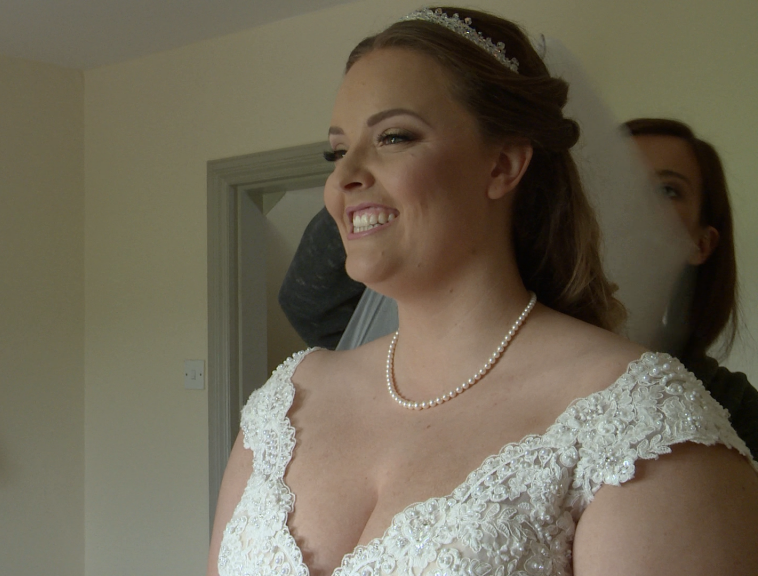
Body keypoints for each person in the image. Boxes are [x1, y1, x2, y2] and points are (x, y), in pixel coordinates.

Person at [208, 8, 758, 576]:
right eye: (337, 151)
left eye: (393, 136)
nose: (344, 176)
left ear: (502, 165)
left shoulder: (639, 425)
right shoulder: (286, 403)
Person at [278, 115, 758, 455]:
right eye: (615, 180)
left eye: (665, 189)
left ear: (702, 242)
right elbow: (308, 301)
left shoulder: (728, 405)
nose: (629, 202)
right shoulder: (473, 350)